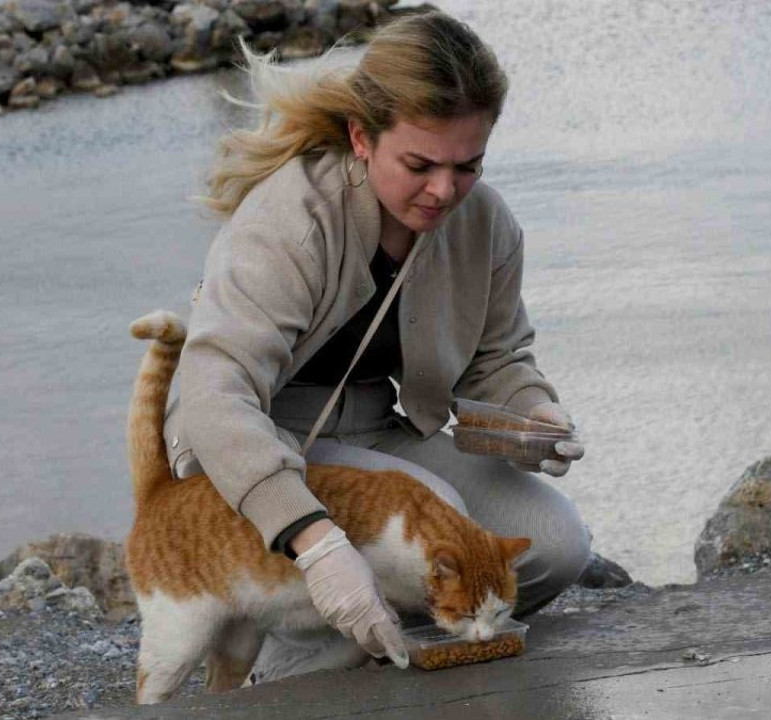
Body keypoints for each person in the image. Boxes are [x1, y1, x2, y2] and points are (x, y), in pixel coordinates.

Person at [164, 11, 596, 682]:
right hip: (240, 448)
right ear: (362, 138)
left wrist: (534, 417)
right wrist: (311, 538)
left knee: (556, 545)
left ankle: (379, 629)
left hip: (372, 432)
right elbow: (213, 398)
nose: (444, 191)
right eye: (420, 165)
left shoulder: (485, 224)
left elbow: (498, 359)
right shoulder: (290, 218)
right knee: (433, 524)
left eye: (468, 166)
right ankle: (280, 664)